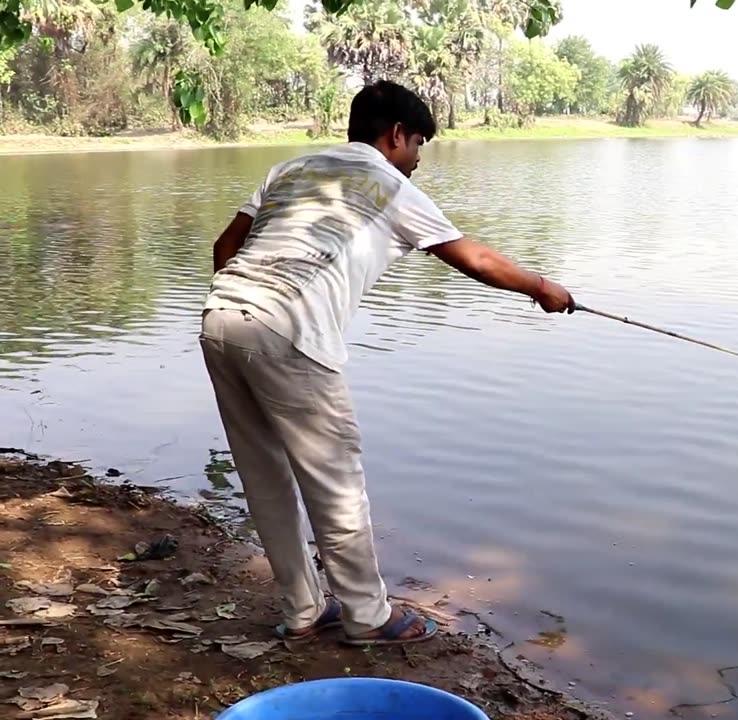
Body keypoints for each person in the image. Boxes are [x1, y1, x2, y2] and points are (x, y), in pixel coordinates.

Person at [199, 80, 575, 646]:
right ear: (396, 134)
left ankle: (303, 611)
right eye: (419, 143)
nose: (418, 159)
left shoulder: (292, 170)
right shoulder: (387, 183)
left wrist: (250, 301)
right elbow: (470, 256)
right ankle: (369, 618)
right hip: (289, 331)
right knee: (335, 480)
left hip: (221, 317)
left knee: (264, 474)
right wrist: (542, 288)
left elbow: (224, 248)